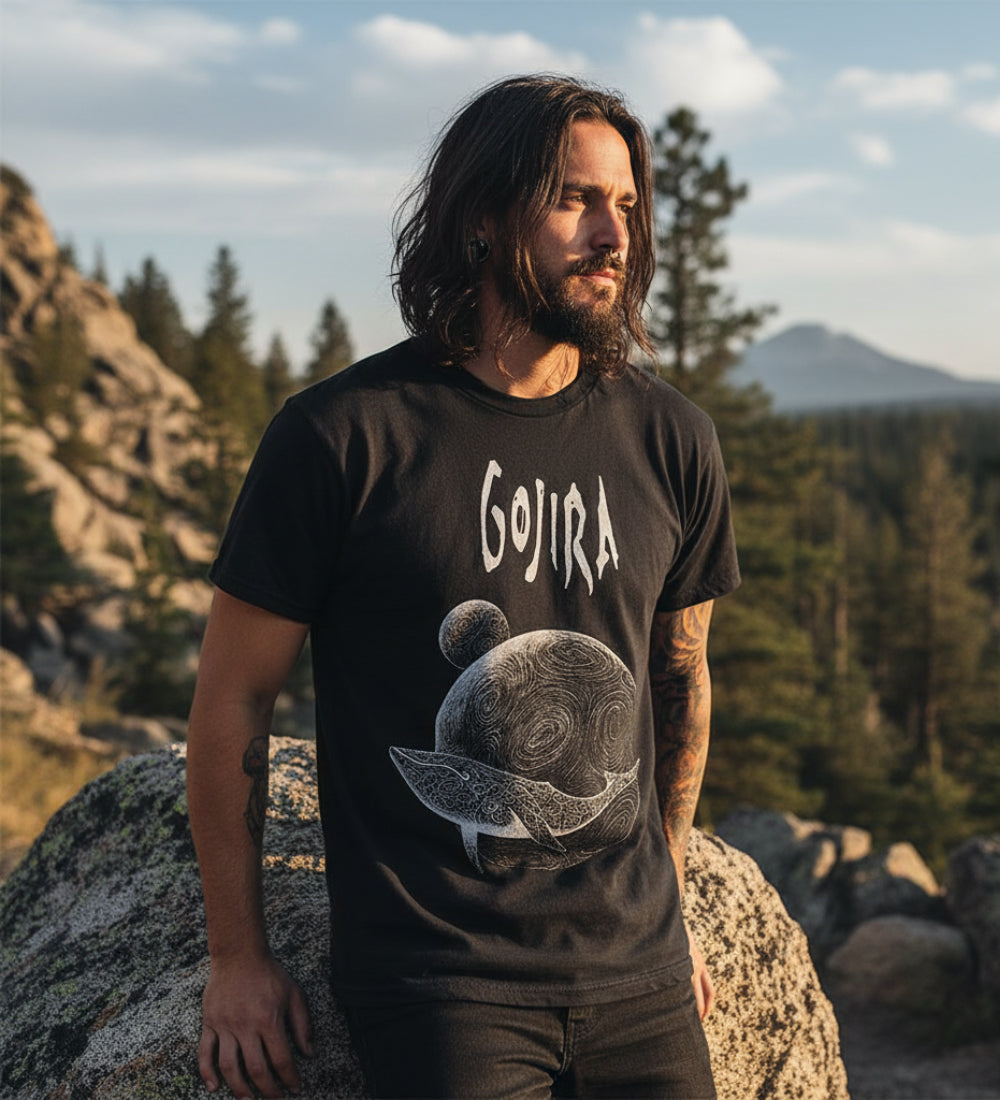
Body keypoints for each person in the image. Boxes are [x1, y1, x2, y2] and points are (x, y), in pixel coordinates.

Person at [187, 73, 739, 1100]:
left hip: (641, 979)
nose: (611, 234)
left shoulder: (671, 441)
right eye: (574, 198)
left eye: (625, 204)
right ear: (483, 216)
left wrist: (667, 909)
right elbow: (233, 699)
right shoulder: (344, 437)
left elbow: (680, 674)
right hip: (441, 979)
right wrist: (236, 959)